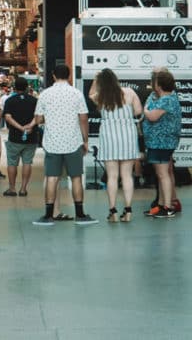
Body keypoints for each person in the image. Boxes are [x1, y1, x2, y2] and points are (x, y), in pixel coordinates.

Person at [32, 64, 97, 226]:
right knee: (75, 177)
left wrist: (50, 117)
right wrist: (85, 140)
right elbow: (83, 118)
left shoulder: (45, 94)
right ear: (69, 76)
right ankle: (80, 215)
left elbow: (38, 119)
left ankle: (48, 215)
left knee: (52, 178)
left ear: (53, 76)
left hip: (53, 143)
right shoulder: (76, 94)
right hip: (73, 142)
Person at [88, 68, 143, 222]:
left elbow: (90, 94)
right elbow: (138, 111)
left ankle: (113, 211)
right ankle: (128, 210)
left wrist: (95, 79)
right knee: (127, 175)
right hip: (127, 135)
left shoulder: (101, 96)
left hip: (109, 136)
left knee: (112, 176)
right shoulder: (130, 92)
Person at [142, 68, 182, 218]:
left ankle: (167, 206)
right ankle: (161, 204)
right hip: (157, 142)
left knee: (162, 173)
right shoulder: (164, 98)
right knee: (160, 174)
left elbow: (152, 116)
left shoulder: (167, 100)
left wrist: (146, 110)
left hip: (162, 142)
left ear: (159, 85)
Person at [2, 76, 38, 197]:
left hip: (15, 137)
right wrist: (30, 126)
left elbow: (7, 117)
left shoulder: (10, 101)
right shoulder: (34, 100)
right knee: (27, 162)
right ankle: (23, 189)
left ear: (14, 88)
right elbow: (38, 116)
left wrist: (20, 127)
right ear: (27, 87)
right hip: (31, 137)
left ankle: (12, 189)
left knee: (12, 163)